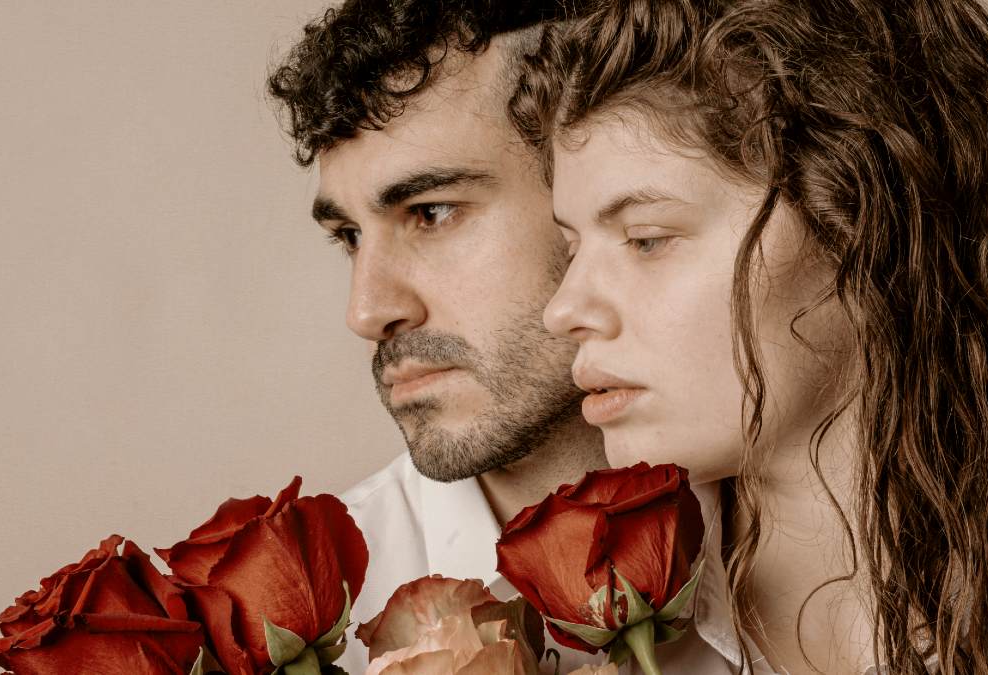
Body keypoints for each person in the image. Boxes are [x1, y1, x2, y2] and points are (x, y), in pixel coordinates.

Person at [512, 0, 988, 673]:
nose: (564, 309)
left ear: (859, 224)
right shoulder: (563, 632)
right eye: (570, 246)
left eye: (646, 239)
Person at [266, 1, 742, 672]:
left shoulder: (833, 543)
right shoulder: (303, 626)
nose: (367, 310)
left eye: (431, 213)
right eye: (349, 236)